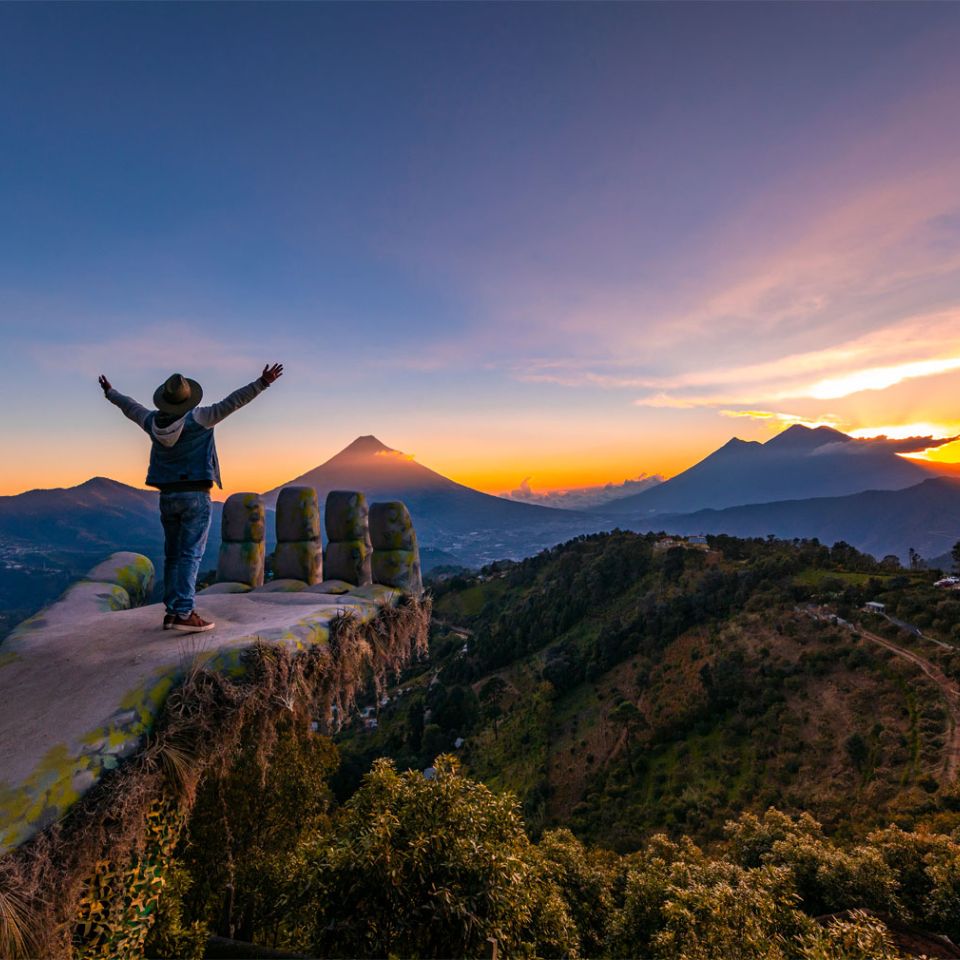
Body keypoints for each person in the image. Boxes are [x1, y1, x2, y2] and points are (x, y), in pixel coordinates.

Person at [99, 364, 284, 633]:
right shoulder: (200, 418)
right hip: (195, 496)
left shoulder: (152, 422)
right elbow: (234, 402)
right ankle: (184, 612)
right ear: (188, 399)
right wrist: (262, 382)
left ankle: (173, 613)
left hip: (167, 496)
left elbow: (130, 407)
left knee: (173, 555)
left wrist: (110, 392)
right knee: (191, 555)